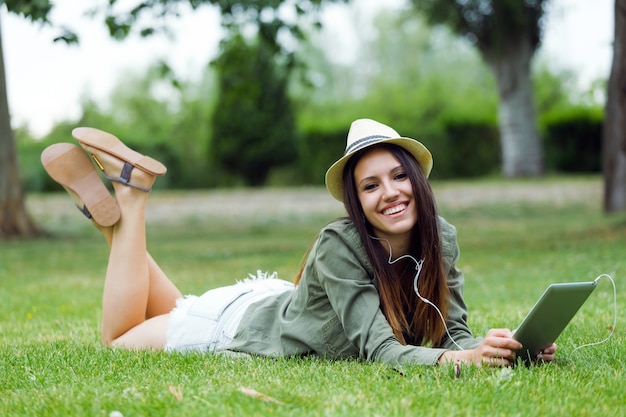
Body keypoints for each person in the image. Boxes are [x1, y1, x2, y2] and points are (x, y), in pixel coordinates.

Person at [41, 118, 557, 367]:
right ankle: (131, 200)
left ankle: (112, 225)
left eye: (398, 177)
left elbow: (453, 332)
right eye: (370, 185)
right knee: (118, 339)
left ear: (418, 181)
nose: (391, 194)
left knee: (157, 300)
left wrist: (499, 350)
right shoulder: (342, 243)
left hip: (266, 303)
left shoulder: (441, 238)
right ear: (355, 202)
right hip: (234, 328)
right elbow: (380, 350)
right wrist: (462, 364)